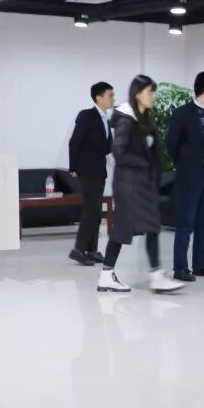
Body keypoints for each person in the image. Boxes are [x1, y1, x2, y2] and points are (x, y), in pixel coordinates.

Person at [97, 75, 184, 295]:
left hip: (142, 185)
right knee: (123, 229)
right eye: (149, 92)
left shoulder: (144, 118)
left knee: (151, 226)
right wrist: (144, 164)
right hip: (129, 186)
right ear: (137, 94)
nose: (153, 96)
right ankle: (108, 275)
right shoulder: (126, 120)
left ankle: (155, 276)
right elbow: (119, 152)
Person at [167, 70, 204, 281]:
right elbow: (172, 143)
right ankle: (180, 268)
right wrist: (185, 165)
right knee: (186, 223)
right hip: (190, 177)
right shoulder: (183, 113)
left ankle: (201, 265)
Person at [68, 81, 115, 266]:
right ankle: (78, 250)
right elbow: (74, 142)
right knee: (91, 209)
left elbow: (106, 147)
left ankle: (92, 250)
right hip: (87, 170)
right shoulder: (87, 116)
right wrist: (72, 167)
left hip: (99, 170)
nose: (113, 98)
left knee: (95, 211)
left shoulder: (105, 118)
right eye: (110, 95)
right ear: (99, 97)